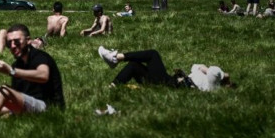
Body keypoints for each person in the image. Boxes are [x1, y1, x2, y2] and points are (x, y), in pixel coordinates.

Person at [0, 24, 65, 122]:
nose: (12, 46)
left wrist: (11, 71)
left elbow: (43, 75)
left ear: (28, 40)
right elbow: (18, 99)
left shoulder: (40, 57)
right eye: (9, 43)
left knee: (4, 90)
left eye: (17, 42)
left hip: (49, 107)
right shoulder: (17, 64)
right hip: (29, 107)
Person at [97, 46, 232, 91]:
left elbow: (206, 68)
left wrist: (225, 79)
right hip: (168, 81)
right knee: (134, 65)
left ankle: (115, 58)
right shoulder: (212, 84)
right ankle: (113, 87)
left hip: (171, 85)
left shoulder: (213, 81)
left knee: (152, 54)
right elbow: (198, 67)